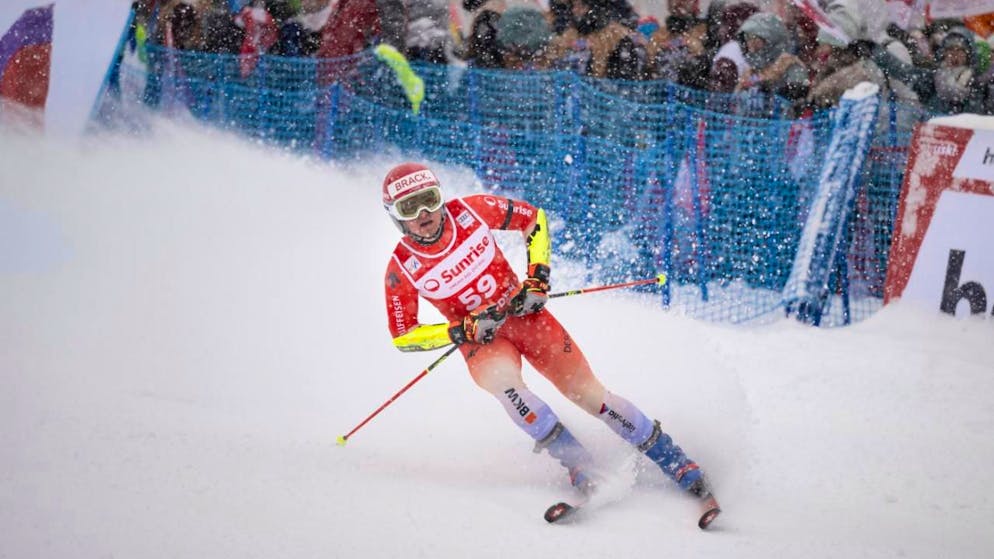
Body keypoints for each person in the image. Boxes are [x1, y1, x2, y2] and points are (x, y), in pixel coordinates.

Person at [379, 162, 721, 528]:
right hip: (484, 341)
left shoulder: (472, 211)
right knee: (507, 388)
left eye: (429, 200)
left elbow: (534, 219)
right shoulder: (402, 269)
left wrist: (537, 277)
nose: (424, 214)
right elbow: (404, 336)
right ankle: (580, 467)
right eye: (409, 208)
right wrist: (460, 331)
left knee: (590, 395)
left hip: (526, 318)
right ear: (395, 217)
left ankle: (678, 463)